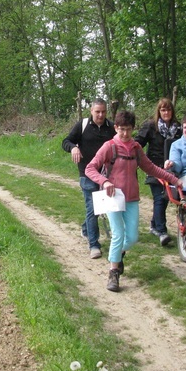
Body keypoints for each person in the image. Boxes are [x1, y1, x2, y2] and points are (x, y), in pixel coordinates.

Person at [85, 110, 183, 292]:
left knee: (132, 237)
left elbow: (151, 168)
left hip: (131, 198)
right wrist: (104, 181)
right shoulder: (109, 146)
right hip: (112, 198)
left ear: (133, 129)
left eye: (128, 129)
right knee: (118, 234)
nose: (125, 133)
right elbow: (90, 169)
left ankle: (118, 255)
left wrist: (173, 179)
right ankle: (113, 273)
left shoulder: (136, 148)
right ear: (115, 128)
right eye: (121, 129)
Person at [62, 98, 116, 259]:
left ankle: (86, 229)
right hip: (87, 173)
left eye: (103, 112)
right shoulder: (82, 125)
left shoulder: (112, 128)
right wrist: (73, 148)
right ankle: (94, 244)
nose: (100, 115)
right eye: (97, 111)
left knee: (100, 208)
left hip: (106, 175)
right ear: (91, 111)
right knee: (92, 208)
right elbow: (66, 141)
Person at [135, 98, 182, 246]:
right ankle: (162, 232)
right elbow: (137, 143)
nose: (166, 113)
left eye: (168, 110)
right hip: (154, 167)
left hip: (172, 169)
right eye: (163, 110)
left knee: (167, 198)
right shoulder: (151, 126)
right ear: (159, 111)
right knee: (160, 197)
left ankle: (154, 225)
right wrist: (135, 159)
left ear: (172, 111)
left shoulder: (179, 128)